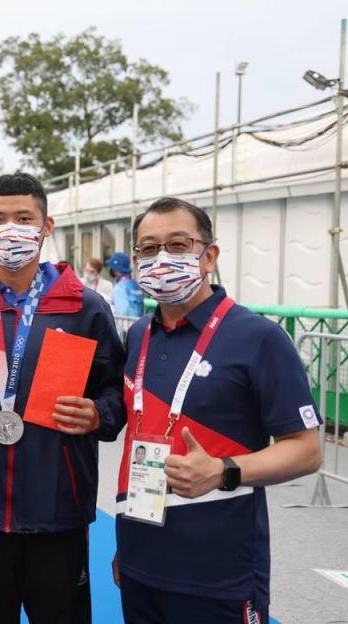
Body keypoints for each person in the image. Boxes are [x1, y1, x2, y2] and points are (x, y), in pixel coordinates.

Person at [114, 197, 322, 623]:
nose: (162, 258)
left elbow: (306, 450)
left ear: (208, 255)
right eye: (149, 249)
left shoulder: (259, 338)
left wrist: (224, 470)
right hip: (141, 563)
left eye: (178, 244)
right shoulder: (139, 335)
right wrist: (127, 543)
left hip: (219, 573)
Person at [0, 173, 125, 624]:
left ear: (46, 226)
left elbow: (116, 390)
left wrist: (99, 413)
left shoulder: (85, 307)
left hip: (58, 515)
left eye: (23, 218)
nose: (10, 229)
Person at [105, 251, 144, 317]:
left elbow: (121, 314)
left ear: (115, 270)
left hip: (126, 325)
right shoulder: (135, 285)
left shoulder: (120, 288)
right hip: (139, 324)